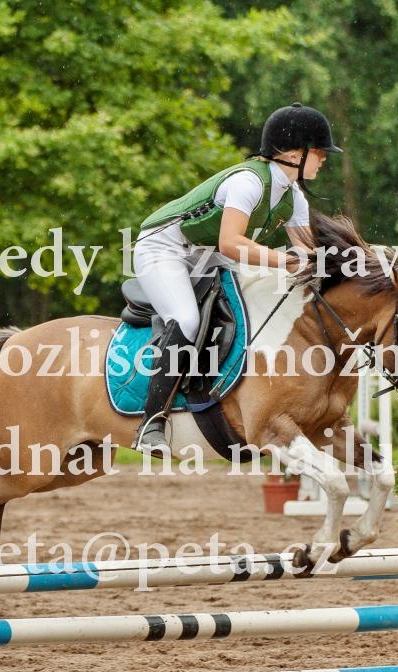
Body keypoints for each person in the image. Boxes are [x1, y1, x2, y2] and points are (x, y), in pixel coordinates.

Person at [131, 102, 343, 451]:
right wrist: (284, 261)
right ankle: (151, 422)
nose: (324, 159)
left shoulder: (293, 196)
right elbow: (231, 243)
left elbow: (308, 254)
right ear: (294, 154)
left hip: (208, 255)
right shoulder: (248, 183)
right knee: (186, 319)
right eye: (319, 152)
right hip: (164, 248)